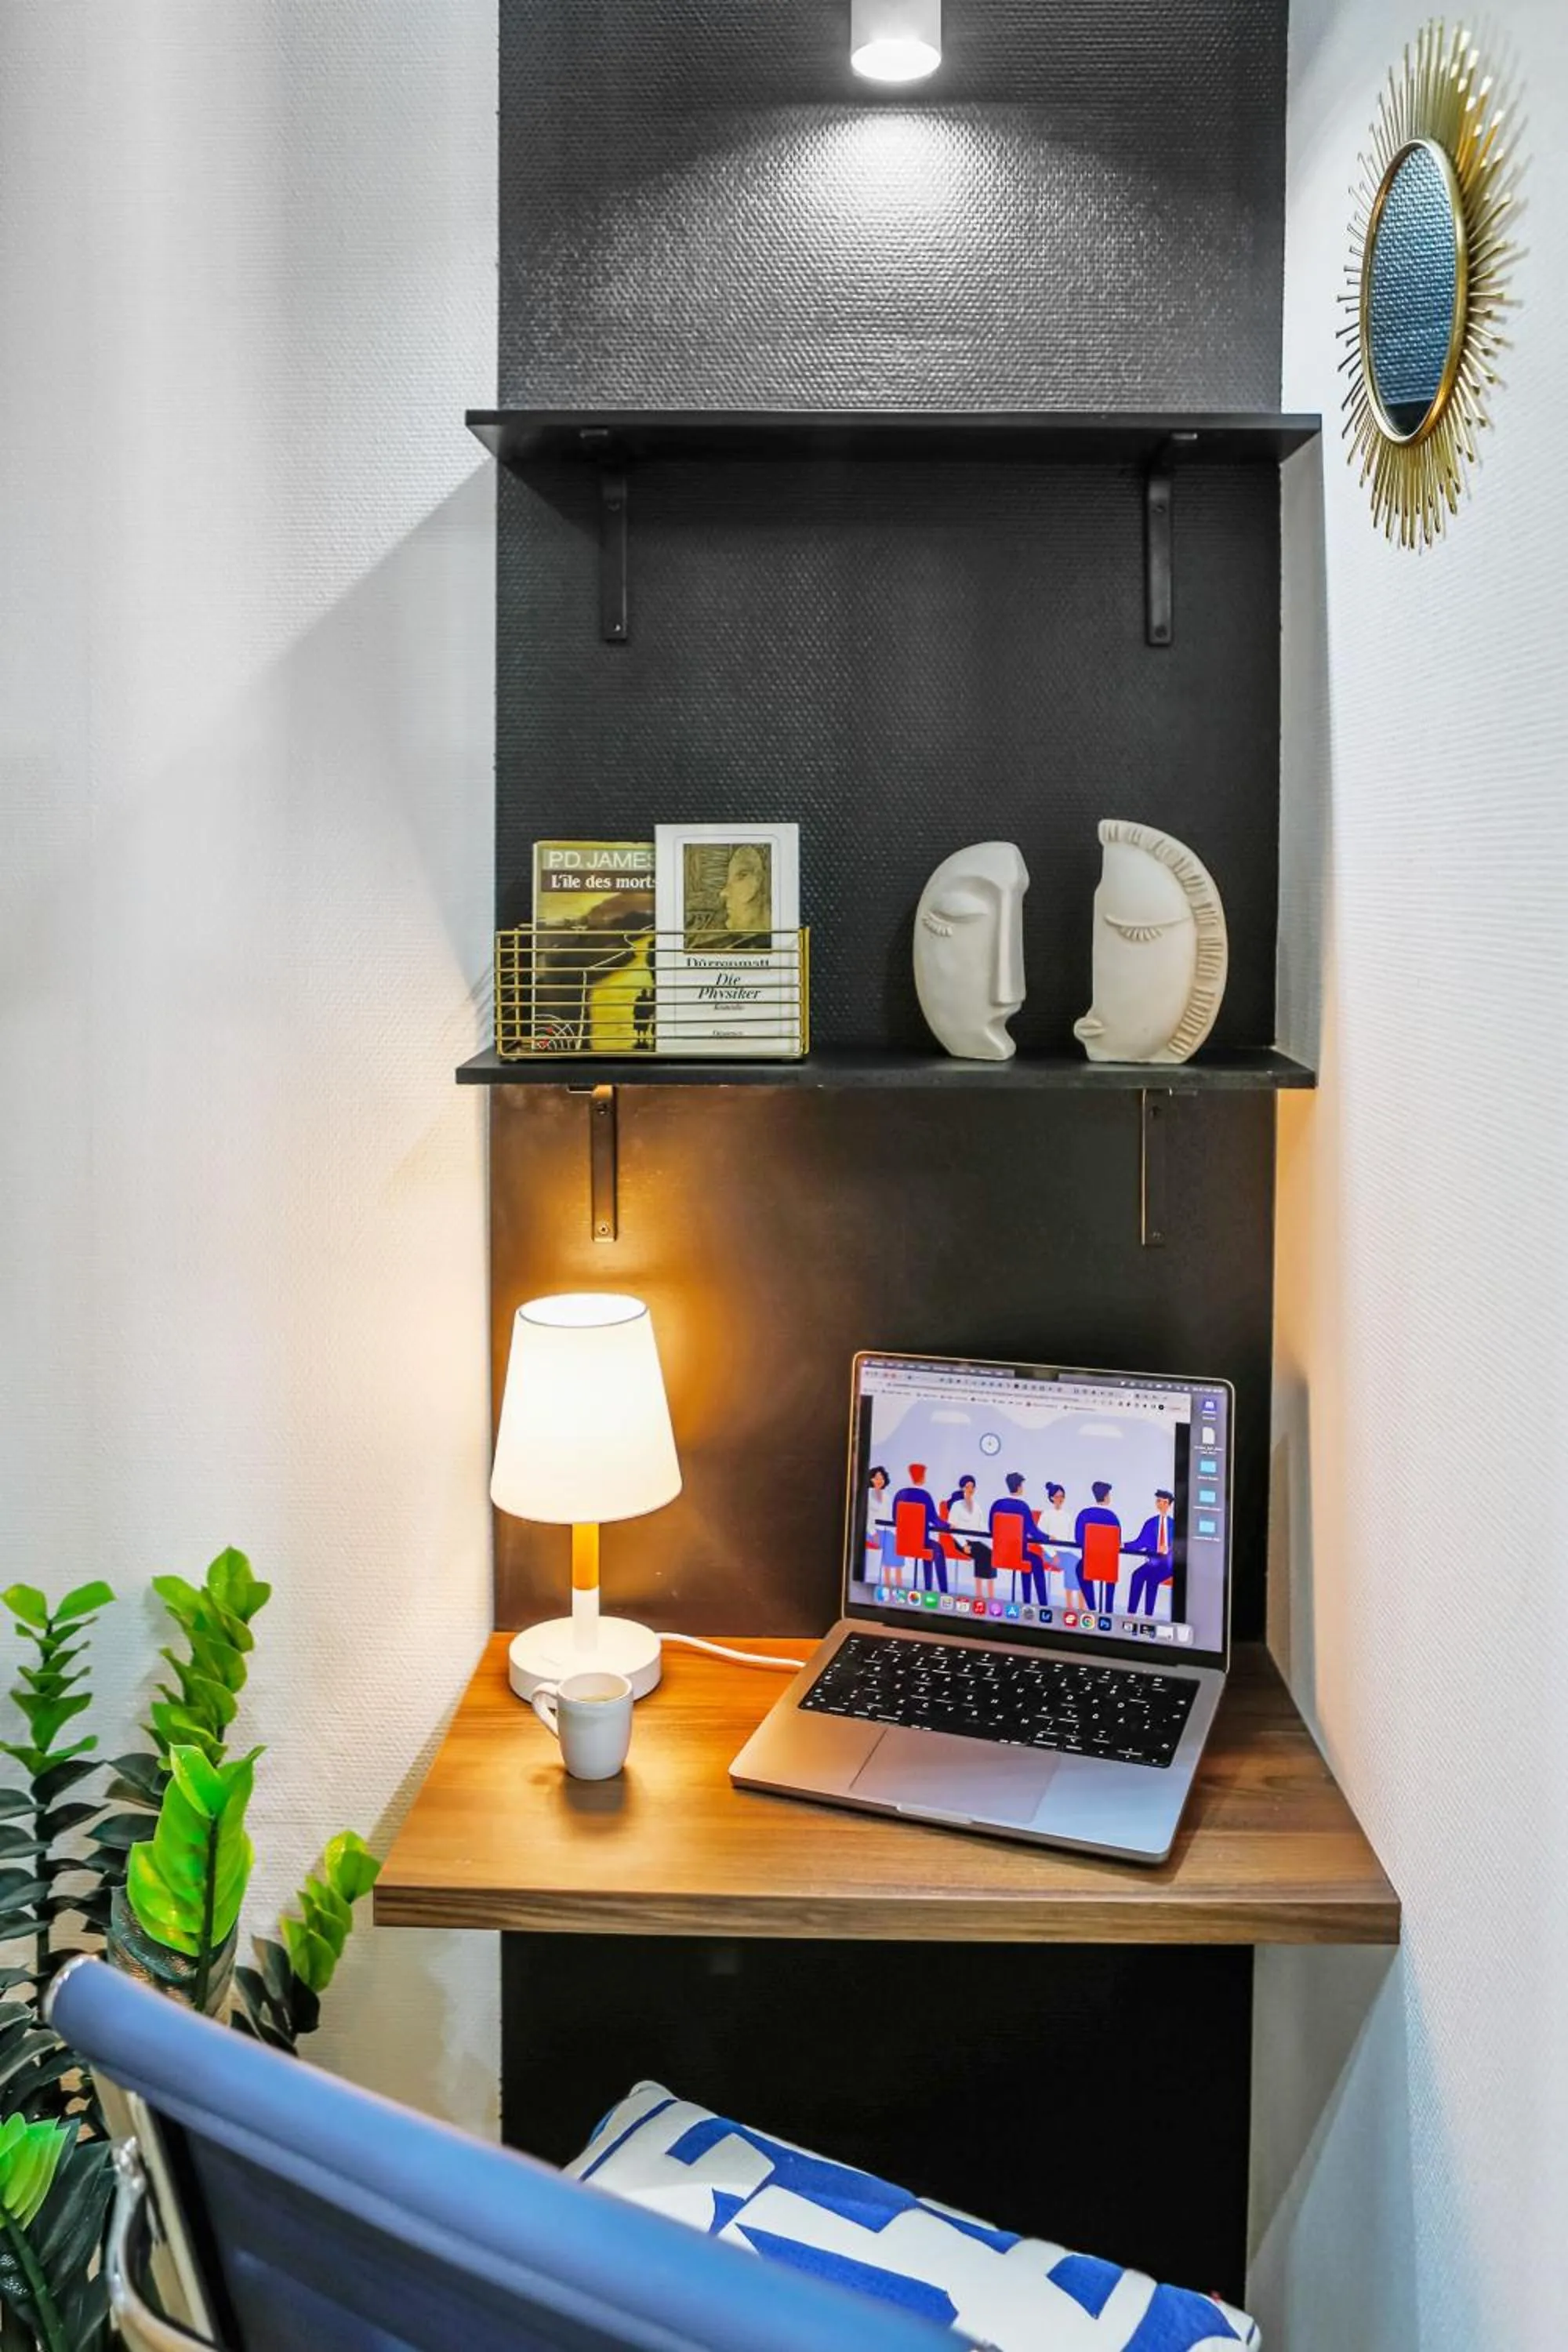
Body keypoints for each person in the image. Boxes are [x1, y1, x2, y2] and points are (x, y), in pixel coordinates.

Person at [989, 1472, 1048, 1606]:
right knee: (1036, 1560)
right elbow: (1033, 1532)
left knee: (1028, 1560)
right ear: (1019, 1487)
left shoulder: (997, 1505)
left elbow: (992, 1529)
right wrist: (1048, 1537)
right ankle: (1042, 1604)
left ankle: (1027, 1601)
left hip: (1000, 1555)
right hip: (1019, 1555)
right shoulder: (1022, 1507)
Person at [891, 1461, 946, 1594]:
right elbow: (935, 1520)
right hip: (921, 1543)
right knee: (937, 1549)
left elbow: (895, 1518)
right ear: (921, 1477)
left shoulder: (900, 1495)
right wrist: (950, 1526)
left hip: (903, 1543)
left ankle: (928, 1588)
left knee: (930, 1548)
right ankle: (942, 1591)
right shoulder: (924, 1496)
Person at [1073, 1481, 1123, 1613]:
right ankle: (1109, 1609)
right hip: (1108, 1565)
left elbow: (1078, 1539)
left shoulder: (1084, 1514)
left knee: (1080, 1568)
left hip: (1089, 1562)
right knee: (1111, 1570)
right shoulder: (1113, 1517)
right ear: (1106, 1497)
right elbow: (1117, 1543)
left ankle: (1092, 1607)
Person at [1126, 1490, 1177, 1617]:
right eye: (1159, 1501)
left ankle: (1149, 1615)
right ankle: (1131, 1613)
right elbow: (1140, 1543)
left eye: (1165, 1502)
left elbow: (1182, 1547)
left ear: (1169, 1505)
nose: (1161, 1505)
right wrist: (1123, 1545)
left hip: (1169, 1564)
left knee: (1152, 1579)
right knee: (1137, 1575)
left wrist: (1169, 1549)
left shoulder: (1174, 1525)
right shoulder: (1150, 1523)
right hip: (1152, 1562)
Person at [945, 1474, 993, 1599]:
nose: (970, 1489)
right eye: (967, 1487)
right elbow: (953, 1528)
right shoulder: (957, 1506)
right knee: (984, 1555)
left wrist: (992, 1536)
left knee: (990, 1553)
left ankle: (989, 1591)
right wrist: (964, 1545)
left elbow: (982, 1525)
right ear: (962, 1488)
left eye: (972, 1487)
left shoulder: (976, 1506)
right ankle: (979, 1593)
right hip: (962, 1542)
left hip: (975, 1541)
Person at [1036, 1480, 1073, 1610]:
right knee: (1072, 1565)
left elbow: (1069, 1539)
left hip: (1065, 1552)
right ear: (1051, 1498)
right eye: (1057, 1496)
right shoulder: (1046, 1515)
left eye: (1062, 1496)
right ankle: (1069, 1605)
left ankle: (1075, 1606)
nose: (1060, 1499)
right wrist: (1053, 1554)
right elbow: (1040, 1538)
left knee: (1078, 1563)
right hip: (1049, 1552)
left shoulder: (1067, 1516)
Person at [865, 1465, 895, 1579]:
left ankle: (889, 1578)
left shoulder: (887, 1496)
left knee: (894, 1540)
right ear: (871, 1479)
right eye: (876, 1478)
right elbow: (866, 1517)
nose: (879, 1481)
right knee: (890, 1541)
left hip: (884, 1531)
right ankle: (883, 1577)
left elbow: (889, 1517)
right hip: (869, 1531)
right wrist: (873, 1533)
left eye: (881, 1478)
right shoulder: (867, 1494)